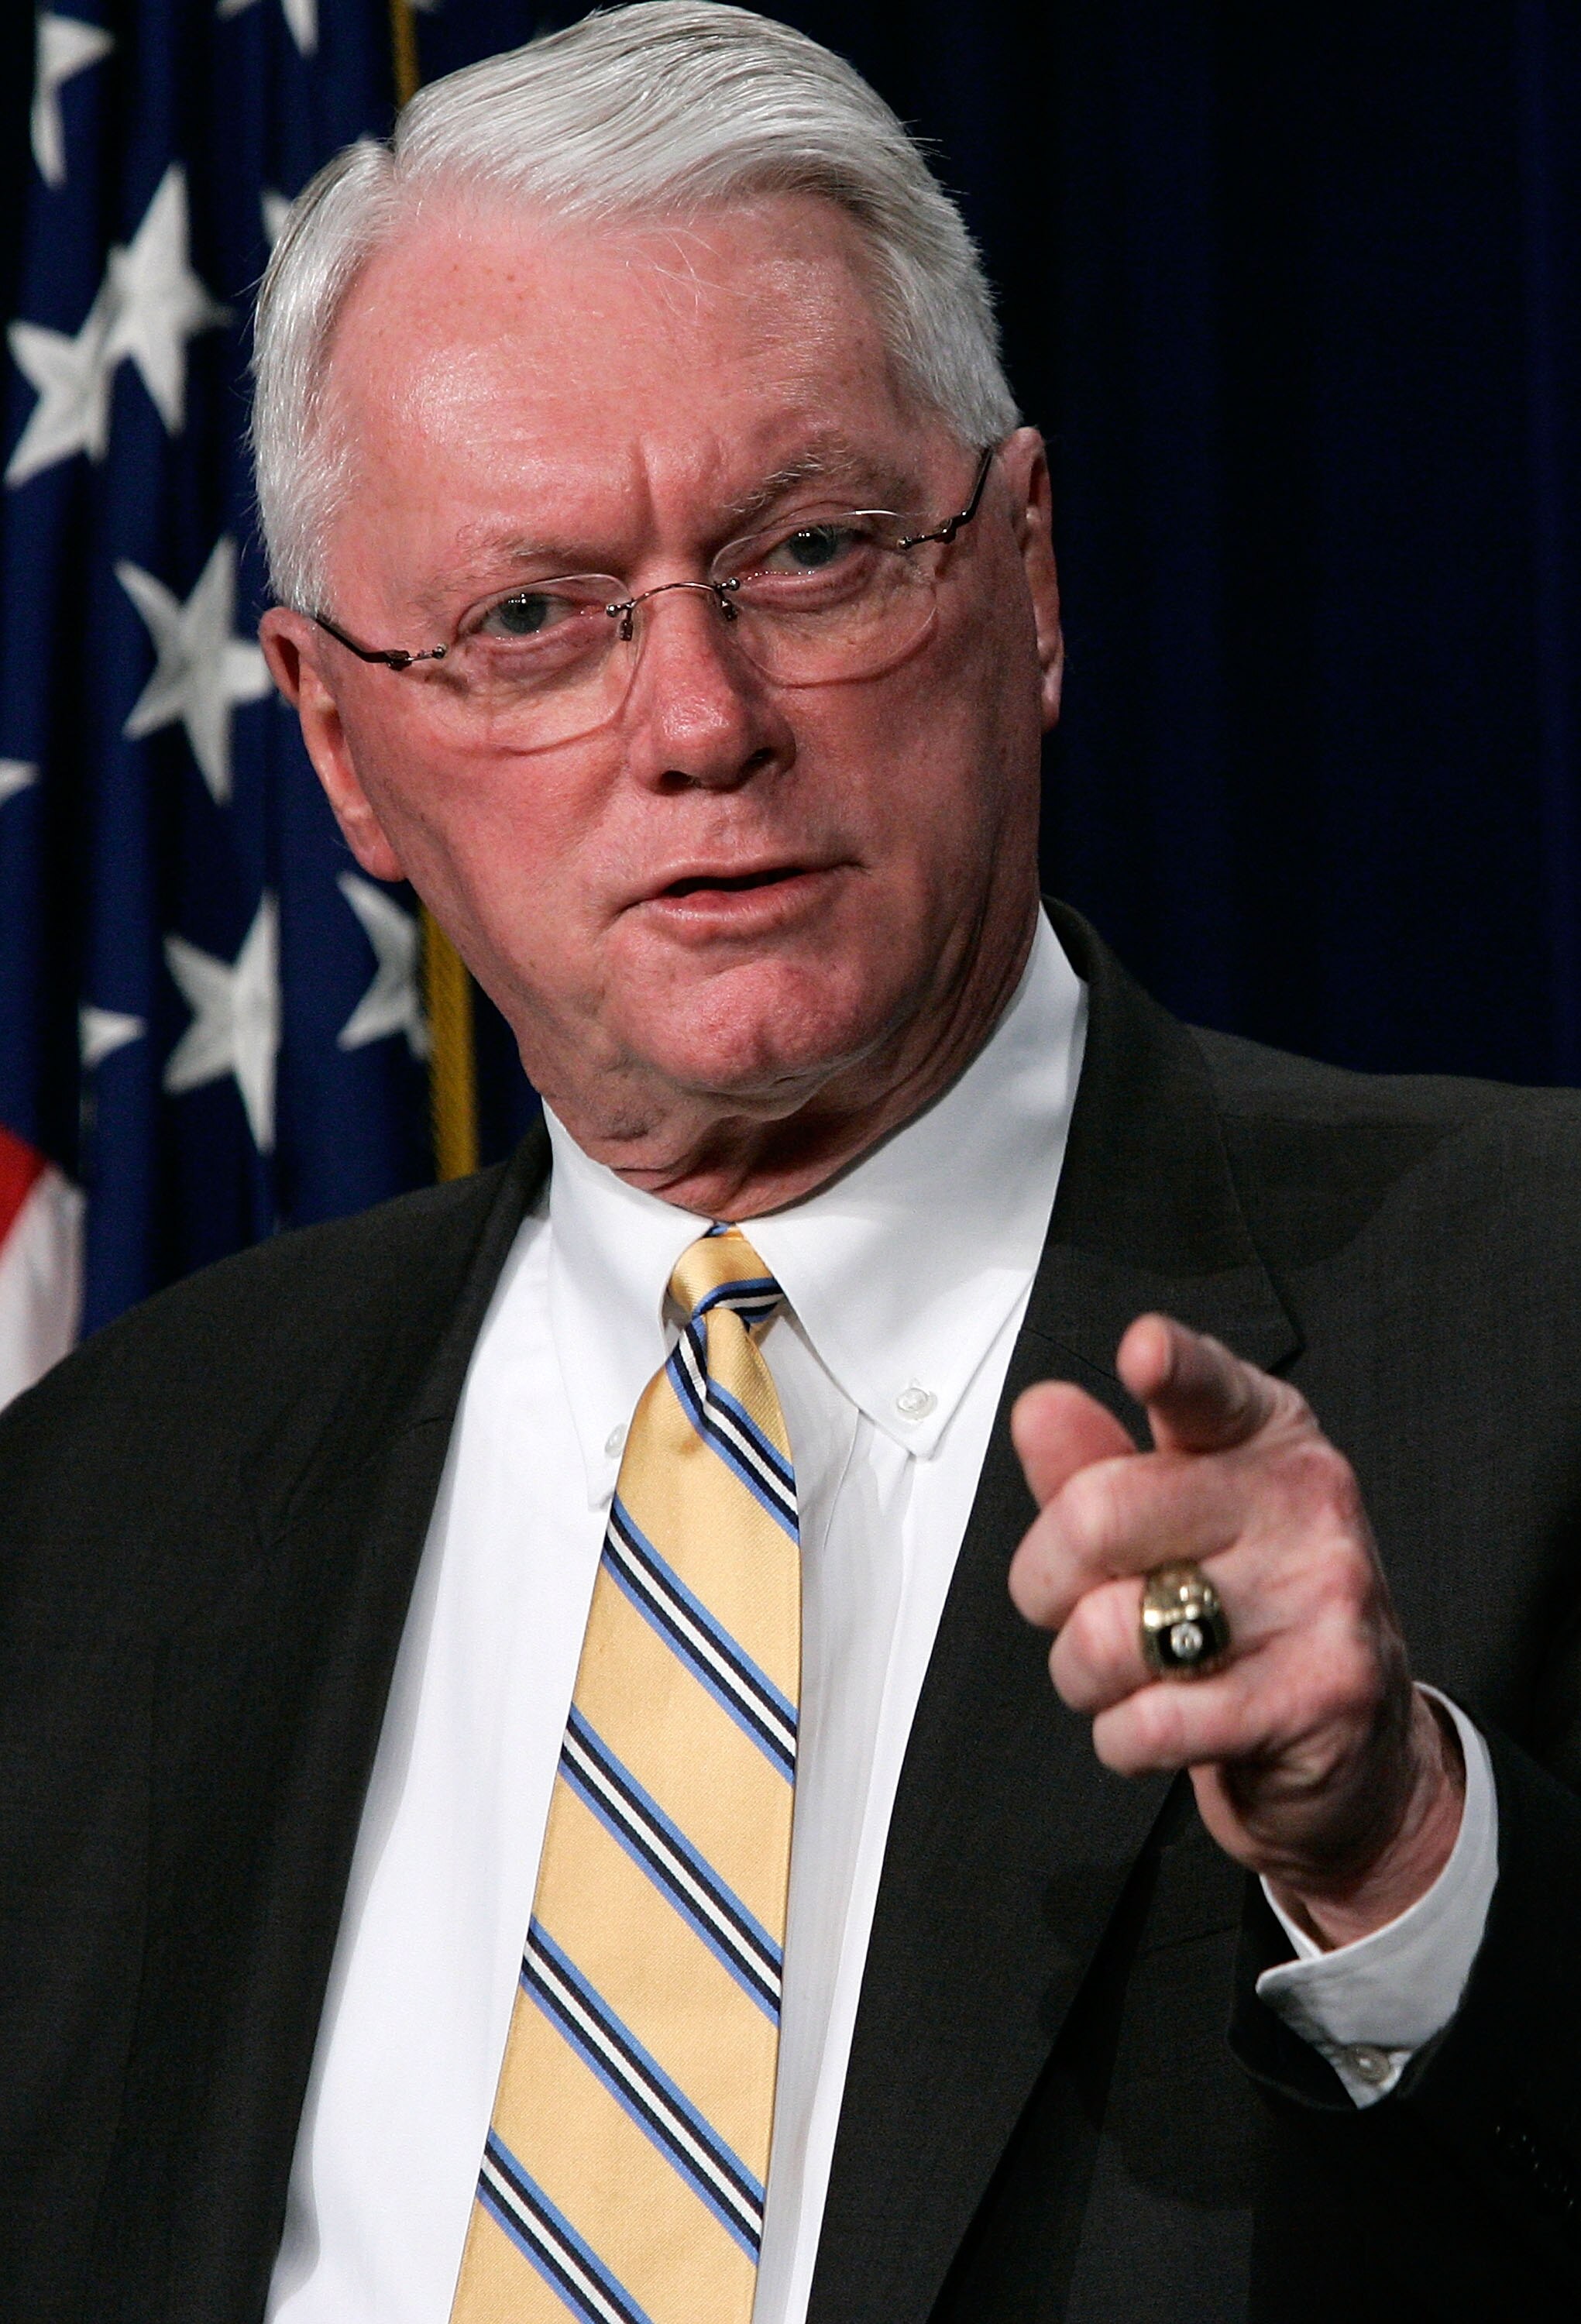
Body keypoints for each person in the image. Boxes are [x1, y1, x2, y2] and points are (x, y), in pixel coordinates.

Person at [3, 7, 1581, 2319]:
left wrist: (1401, 1855)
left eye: (814, 552)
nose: (699, 722)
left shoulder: (1537, 1314)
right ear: (341, 744)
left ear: (1023, 576)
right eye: (530, 619)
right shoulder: (100, 1509)